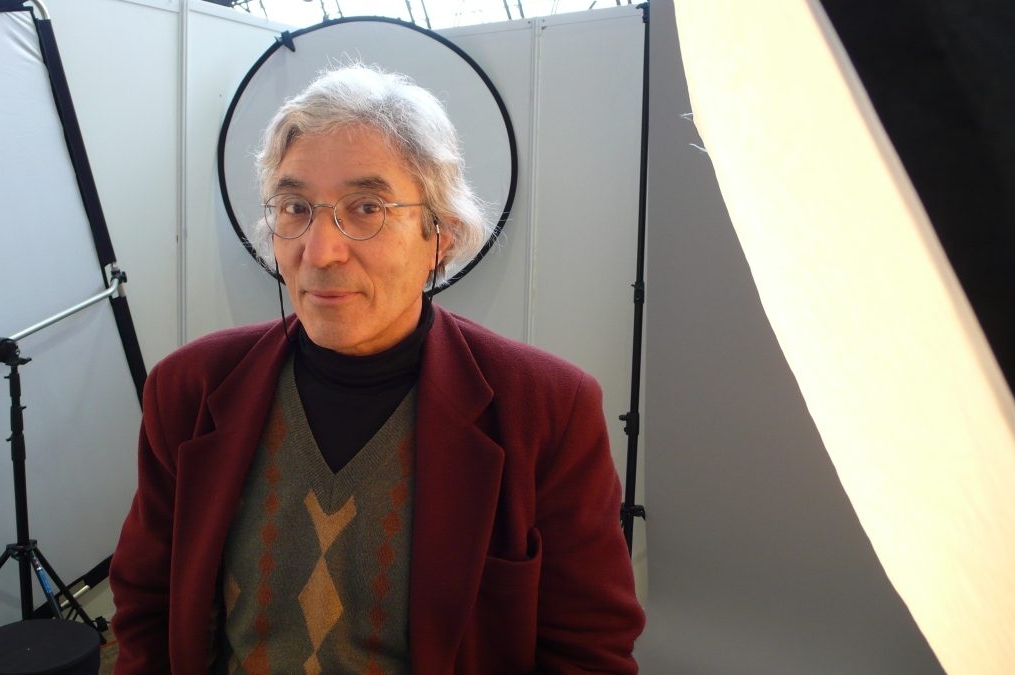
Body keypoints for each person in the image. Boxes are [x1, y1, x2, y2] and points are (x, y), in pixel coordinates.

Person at [109, 64, 645, 674]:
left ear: (440, 235)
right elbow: (147, 610)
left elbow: (587, 651)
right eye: (295, 207)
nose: (320, 252)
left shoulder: (545, 410)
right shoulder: (190, 390)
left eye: (366, 207)